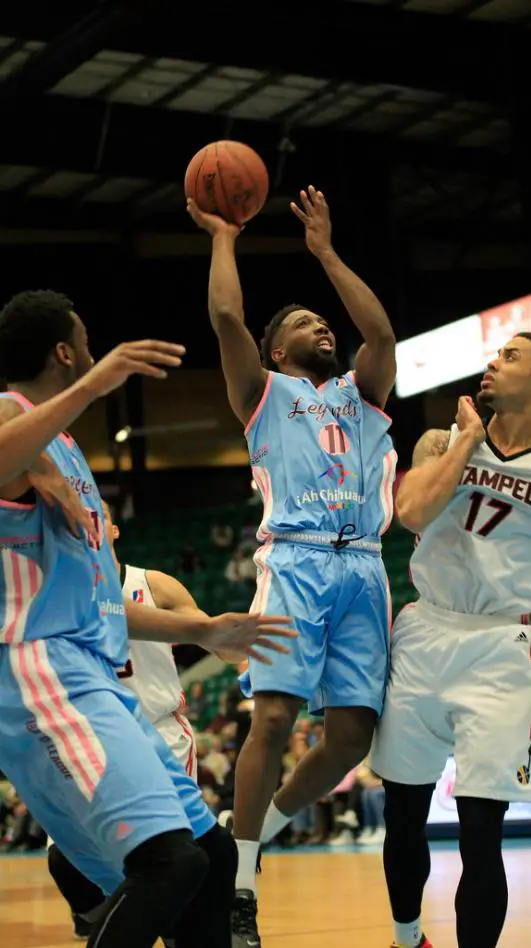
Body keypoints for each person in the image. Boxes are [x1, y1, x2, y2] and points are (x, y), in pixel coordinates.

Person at [0, 290, 296, 948]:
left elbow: (112, 603)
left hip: (89, 667)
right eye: (85, 341)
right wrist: (98, 383)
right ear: (64, 351)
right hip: (37, 666)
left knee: (210, 859)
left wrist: (203, 629)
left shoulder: (63, 451)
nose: (93, 352)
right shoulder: (15, 416)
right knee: (169, 864)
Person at [370, 332, 531, 948]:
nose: (492, 362)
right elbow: (409, 511)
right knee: (403, 815)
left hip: (500, 650)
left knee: (481, 832)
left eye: (509, 357)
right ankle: (407, 940)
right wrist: (466, 440)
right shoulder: (443, 440)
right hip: (425, 629)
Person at [188, 184, 397, 947]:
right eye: (307, 322)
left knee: (350, 739)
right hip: (298, 561)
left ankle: (253, 836)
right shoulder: (263, 391)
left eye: (323, 321)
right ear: (279, 350)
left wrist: (325, 253)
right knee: (273, 717)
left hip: (366, 568)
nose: (325, 327)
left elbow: (380, 332)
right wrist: (222, 235)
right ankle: (239, 889)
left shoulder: (362, 393)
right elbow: (223, 318)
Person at [47, 499, 211, 939]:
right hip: (96, 736)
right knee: (66, 859)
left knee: (176, 854)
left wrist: (242, 651)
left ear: (114, 530)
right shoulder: (55, 591)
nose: (90, 522)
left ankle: (180, 926)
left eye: (99, 514)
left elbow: (216, 639)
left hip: (160, 730)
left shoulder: (154, 585)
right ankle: (106, 917)